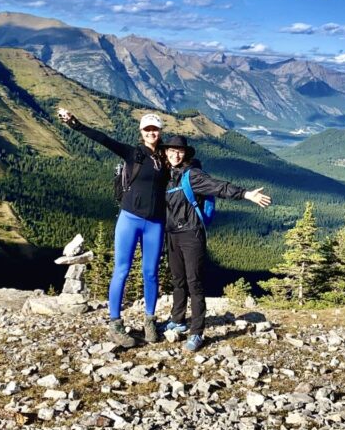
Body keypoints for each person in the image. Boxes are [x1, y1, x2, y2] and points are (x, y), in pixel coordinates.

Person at [57, 108, 168, 348]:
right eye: (147, 129)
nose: (151, 132)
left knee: (150, 273)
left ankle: (150, 321)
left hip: (156, 222)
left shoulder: (166, 157)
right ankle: (115, 323)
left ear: (160, 132)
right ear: (142, 132)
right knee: (122, 270)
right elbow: (103, 139)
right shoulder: (133, 153)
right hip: (130, 219)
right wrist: (75, 124)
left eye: (155, 129)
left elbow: (187, 170)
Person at [160, 134, 271, 352]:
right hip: (172, 234)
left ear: (185, 154)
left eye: (179, 151)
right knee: (178, 279)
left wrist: (246, 194)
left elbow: (219, 186)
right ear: (165, 152)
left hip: (192, 235)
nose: (175, 154)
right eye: (171, 150)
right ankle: (178, 319)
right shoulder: (167, 174)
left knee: (194, 282)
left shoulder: (193, 175)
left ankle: (197, 332)